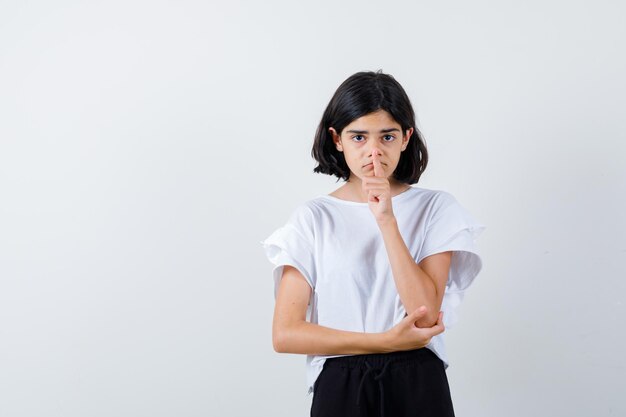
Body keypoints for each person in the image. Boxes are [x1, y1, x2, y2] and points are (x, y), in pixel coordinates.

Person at [260, 70, 486, 417]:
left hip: (417, 377)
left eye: (387, 136)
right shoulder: (314, 218)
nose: (374, 152)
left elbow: (424, 316)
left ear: (406, 137)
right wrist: (382, 342)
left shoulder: (436, 208)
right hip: (341, 381)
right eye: (359, 137)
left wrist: (386, 219)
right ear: (337, 139)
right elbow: (286, 334)